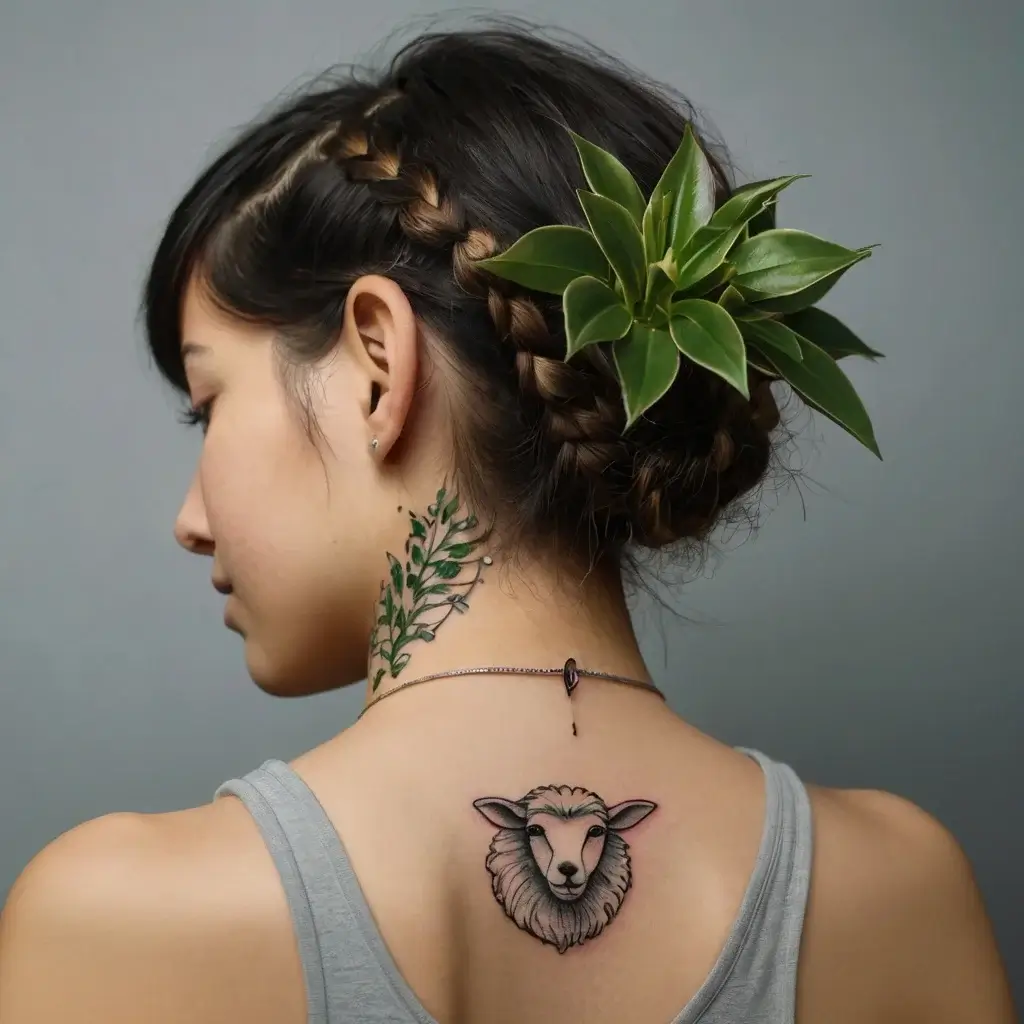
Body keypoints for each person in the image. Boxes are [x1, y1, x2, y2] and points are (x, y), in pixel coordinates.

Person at [0, 20, 1016, 1024]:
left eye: (209, 402)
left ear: (375, 368)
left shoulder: (121, 921)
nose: (189, 518)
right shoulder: (895, 895)